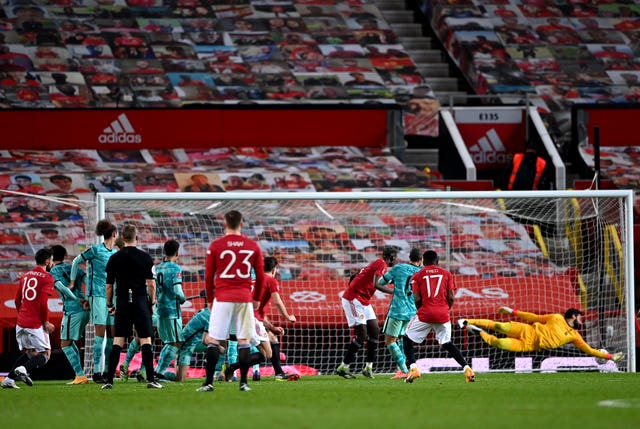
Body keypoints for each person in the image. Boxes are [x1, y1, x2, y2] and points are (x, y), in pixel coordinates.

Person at [198, 210, 265, 392]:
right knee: (244, 340)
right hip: (244, 298)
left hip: (222, 297)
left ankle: (208, 383)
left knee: (214, 340)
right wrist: (257, 299)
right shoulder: (252, 246)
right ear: (241, 224)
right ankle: (243, 383)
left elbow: (209, 276)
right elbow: (260, 277)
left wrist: (210, 299)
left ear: (224, 224)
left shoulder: (216, 245)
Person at [102, 224, 162, 389]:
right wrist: (151, 302)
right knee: (145, 340)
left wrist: (109, 305)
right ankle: (151, 380)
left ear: (122, 238)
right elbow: (151, 284)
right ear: (137, 237)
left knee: (118, 341)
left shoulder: (114, 258)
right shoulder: (145, 257)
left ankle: (108, 381)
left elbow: (108, 286)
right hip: (140, 300)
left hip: (122, 301)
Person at [403, 250, 475, 383]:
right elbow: (451, 297)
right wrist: (445, 309)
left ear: (423, 261)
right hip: (443, 314)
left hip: (425, 313)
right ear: (438, 261)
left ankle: (413, 368)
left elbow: (417, 299)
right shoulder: (447, 274)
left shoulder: (417, 276)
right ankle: (467, 368)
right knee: (447, 343)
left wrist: (423, 310)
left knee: (406, 338)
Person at [458, 307, 625, 363]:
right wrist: (513, 311)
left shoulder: (575, 336)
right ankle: (466, 320)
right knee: (499, 325)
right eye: (580, 316)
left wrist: (609, 356)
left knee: (500, 344)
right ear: (573, 316)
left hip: (530, 346)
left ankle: (477, 331)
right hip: (527, 330)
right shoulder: (556, 317)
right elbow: (534, 318)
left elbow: (589, 350)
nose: (582, 319)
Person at [224, 256, 297, 381]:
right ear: (274, 270)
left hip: (242, 317)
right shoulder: (270, 280)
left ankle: (278, 373)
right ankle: (232, 368)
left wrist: (272, 327)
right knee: (267, 354)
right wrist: (287, 316)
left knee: (271, 338)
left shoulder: (253, 280)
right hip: (251, 320)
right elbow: (277, 302)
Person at [335, 246, 396, 379]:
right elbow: (376, 284)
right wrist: (394, 292)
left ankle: (368, 367)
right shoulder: (381, 264)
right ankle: (343, 367)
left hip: (364, 301)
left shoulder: (379, 264)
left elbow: (360, 276)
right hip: (354, 299)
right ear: (391, 257)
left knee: (374, 330)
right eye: (394, 258)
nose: (395, 261)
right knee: (361, 335)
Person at [70, 219, 118, 383]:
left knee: (112, 334)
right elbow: (77, 260)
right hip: (97, 295)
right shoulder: (96, 250)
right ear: (114, 234)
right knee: (100, 332)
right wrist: (72, 280)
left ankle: (106, 371)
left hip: (112, 297)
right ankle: (96, 372)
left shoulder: (115, 253)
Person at [1, 248, 55, 389]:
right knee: (45, 355)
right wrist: (46, 321)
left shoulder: (25, 276)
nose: (53, 263)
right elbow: (43, 302)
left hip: (21, 322)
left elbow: (17, 300)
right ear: (47, 261)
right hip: (35, 323)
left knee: (30, 352)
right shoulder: (47, 277)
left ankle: (8, 380)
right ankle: (23, 370)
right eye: (52, 260)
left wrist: (22, 315)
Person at [377, 248, 422, 379]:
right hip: (412, 312)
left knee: (390, 341)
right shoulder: (422, 272)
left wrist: (394, 280)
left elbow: (381, 282)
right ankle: (401, 369)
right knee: (402, 338)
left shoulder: (399, 268)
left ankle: (404, 370)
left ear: (409, 257)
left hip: (397, 310)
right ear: (421, 260)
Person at [50, 245, 91, 385]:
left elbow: (61, 287)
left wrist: (76, 299)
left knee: (65, 344)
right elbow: (88, 281)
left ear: (51, 257)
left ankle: (81, 375)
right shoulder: (75, 269)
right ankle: (79, 374)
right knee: (70, 342)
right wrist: (88, 298)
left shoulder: (53, 271)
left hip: (73, 309)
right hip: (86, 309)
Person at [154, 239, 186, 380]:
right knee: (176, 342)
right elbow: (177, 290)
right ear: (177, 252)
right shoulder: (175, 268)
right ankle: (159, 372)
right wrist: (182, 298)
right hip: (172, 310)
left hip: (160, 309)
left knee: (169, 342)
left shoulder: (158, 267)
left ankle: (158, 371)